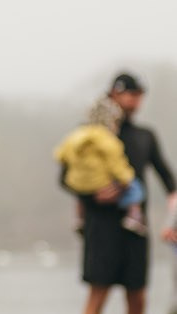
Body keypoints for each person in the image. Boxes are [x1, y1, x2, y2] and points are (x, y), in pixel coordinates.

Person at [71, 72, 177, 314]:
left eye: (138, 95)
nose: (134, 100)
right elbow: (67, 176)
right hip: (101, 227)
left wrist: (172, 219)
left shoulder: (144, 136)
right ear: (114, 95)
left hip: (136, 229)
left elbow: (169, 181)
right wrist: (92, 195)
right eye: (128, 94)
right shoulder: (91, 134)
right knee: (98, 295)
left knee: (138, 299)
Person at [54, 96, 147, 235]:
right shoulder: (107, 139)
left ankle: (79, 218)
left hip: (76, 183)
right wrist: (125, 180)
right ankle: (133, 215)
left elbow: (60, 155)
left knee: (80, 196)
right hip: (101, 183)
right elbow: (116, 163)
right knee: (136, 188)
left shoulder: (76, 135)